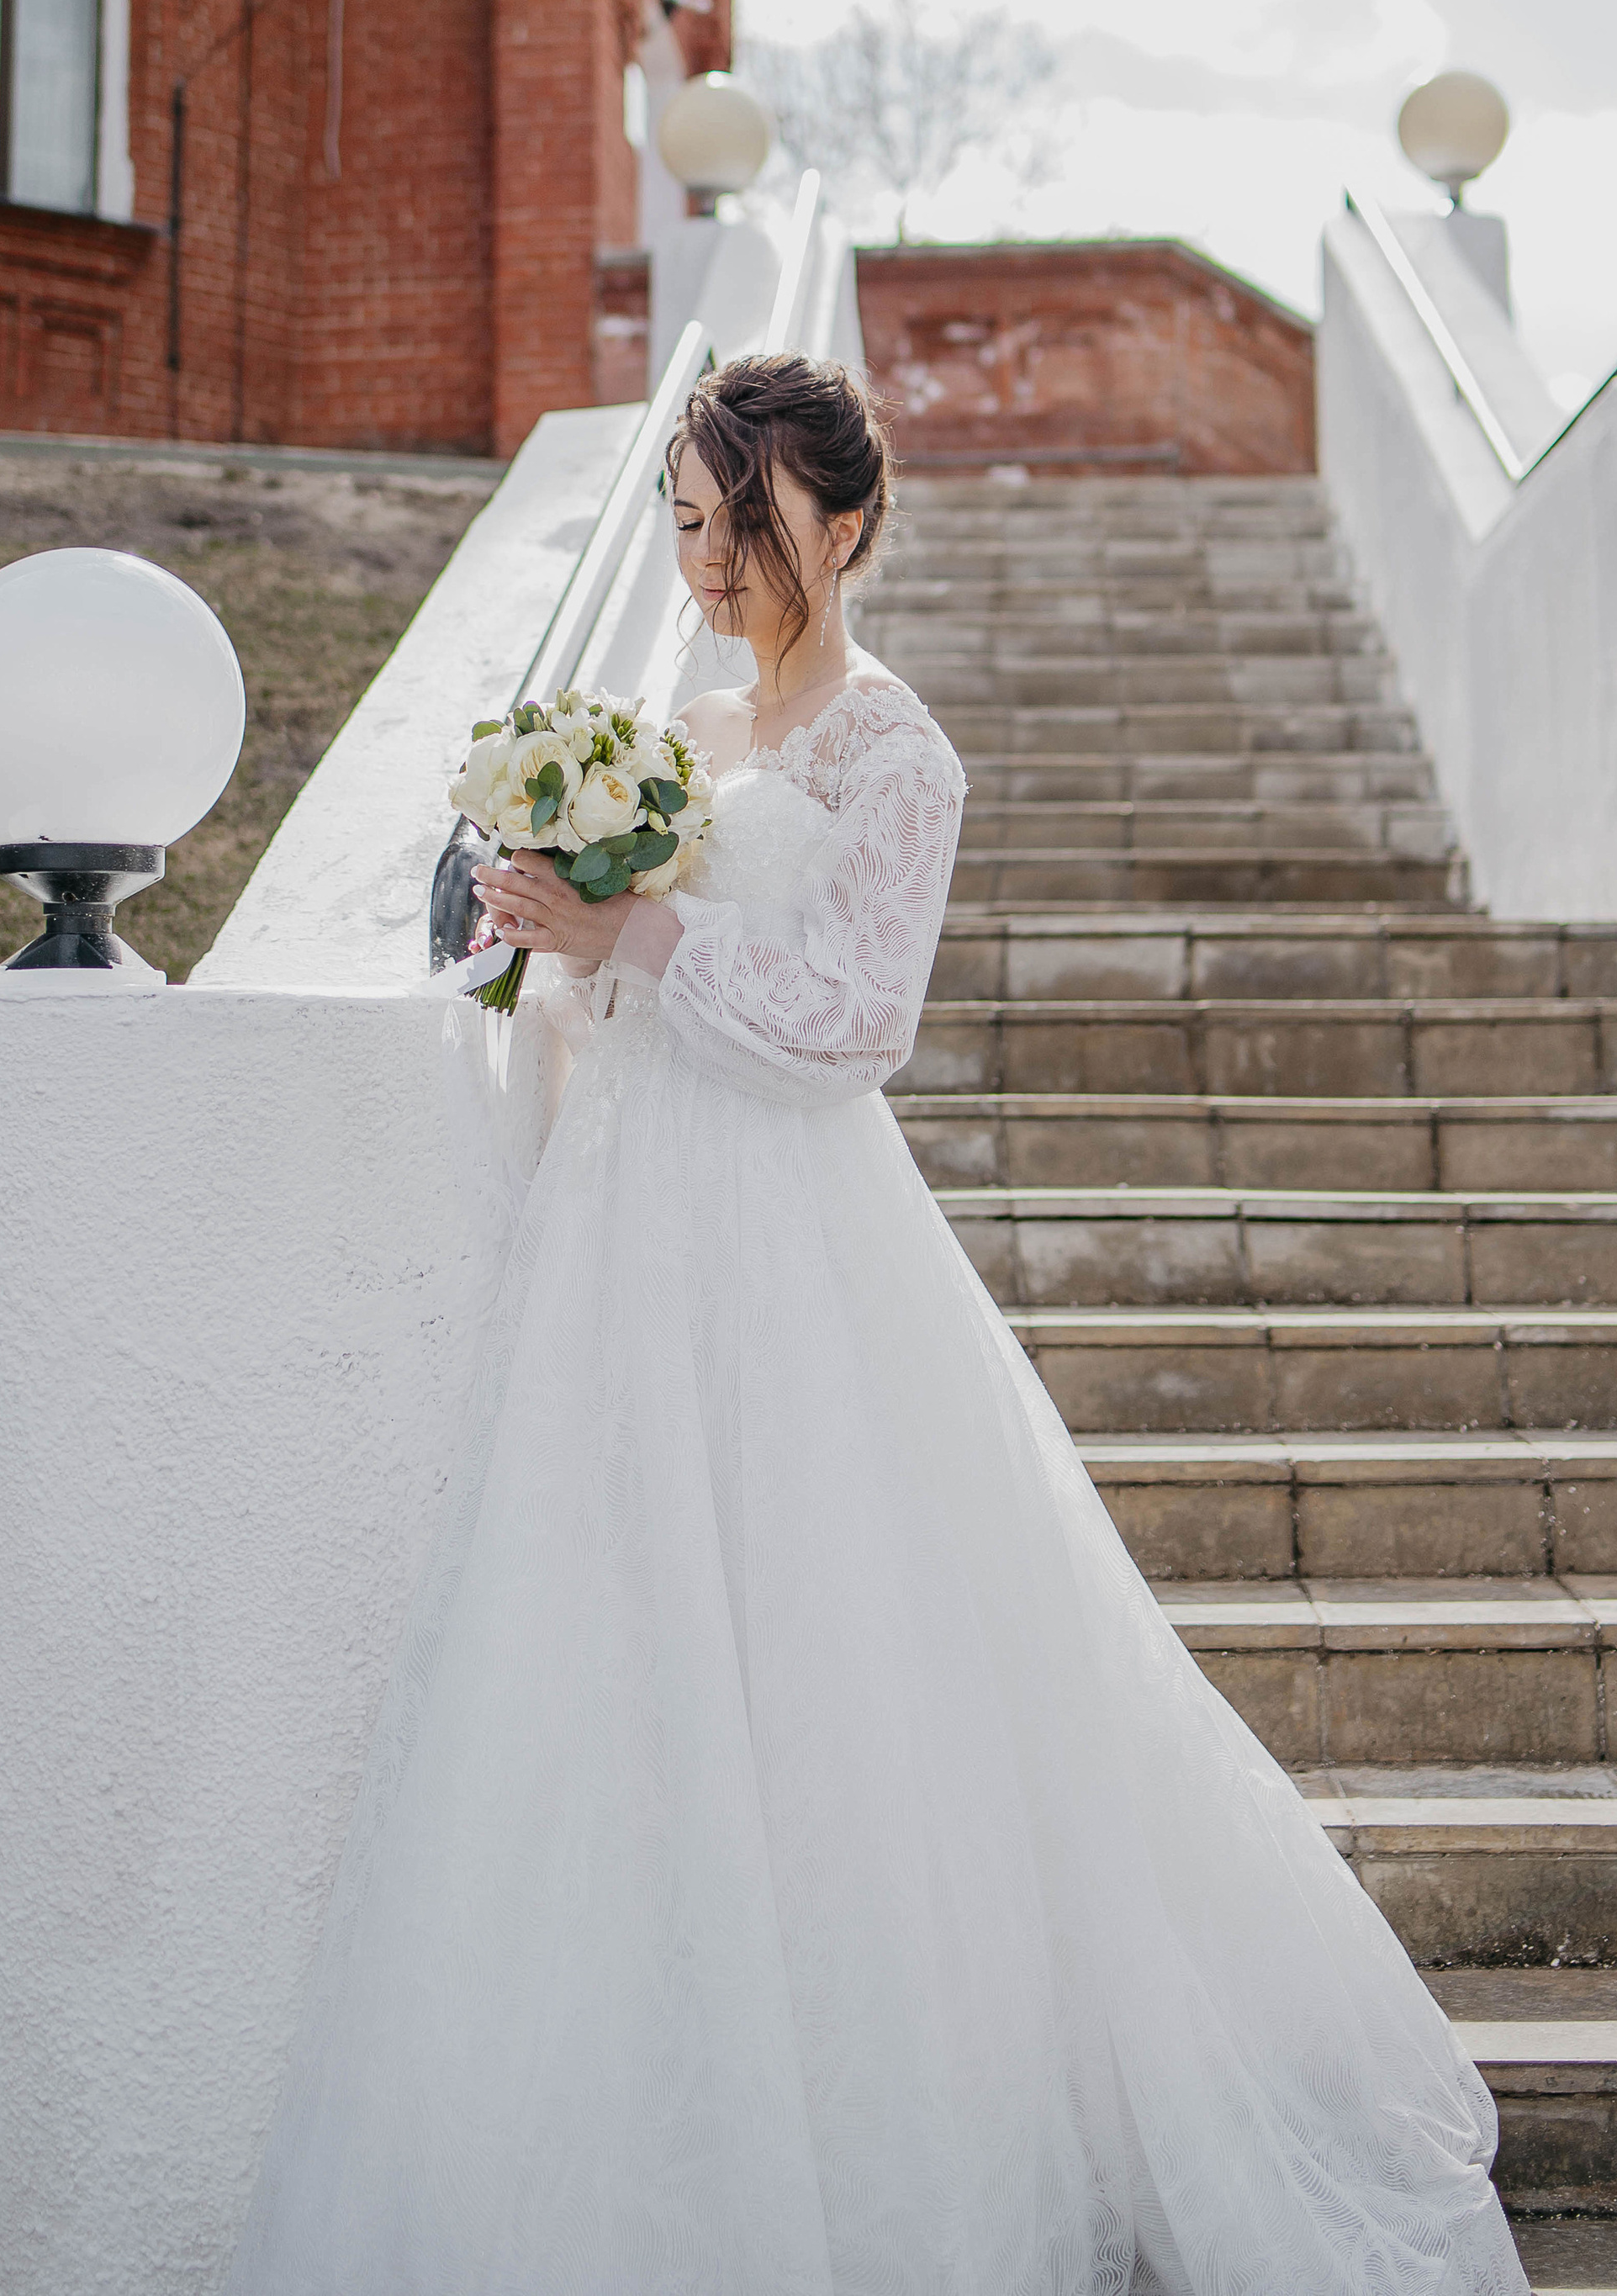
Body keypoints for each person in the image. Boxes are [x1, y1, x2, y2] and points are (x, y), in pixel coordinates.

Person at [222, 353, 1526, 2296]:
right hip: (620, 1234)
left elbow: (854, 1029)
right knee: (607, 1658)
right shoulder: (679, 722)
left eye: (730, 522)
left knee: (830, 1672)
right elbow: (615, 992)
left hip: (791, 1248)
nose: (700, 561)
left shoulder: (894, 752)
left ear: (834, 524)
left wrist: (634, 930)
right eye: (679, 519)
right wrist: (535, 933)